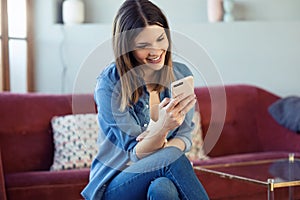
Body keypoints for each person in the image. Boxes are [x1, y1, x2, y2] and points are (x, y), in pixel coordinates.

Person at [81, 0, 209, 199]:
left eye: (160, 39)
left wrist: (158, 144)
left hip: (160, 172)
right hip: (116, 182)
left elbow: (184, 137)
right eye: (143, 45)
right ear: (127, 47)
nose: (156, 50)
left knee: (163, 188)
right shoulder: (109, 85)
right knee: (172, 158)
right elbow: (136, 153)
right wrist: (164, 129)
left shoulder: (180, 74)